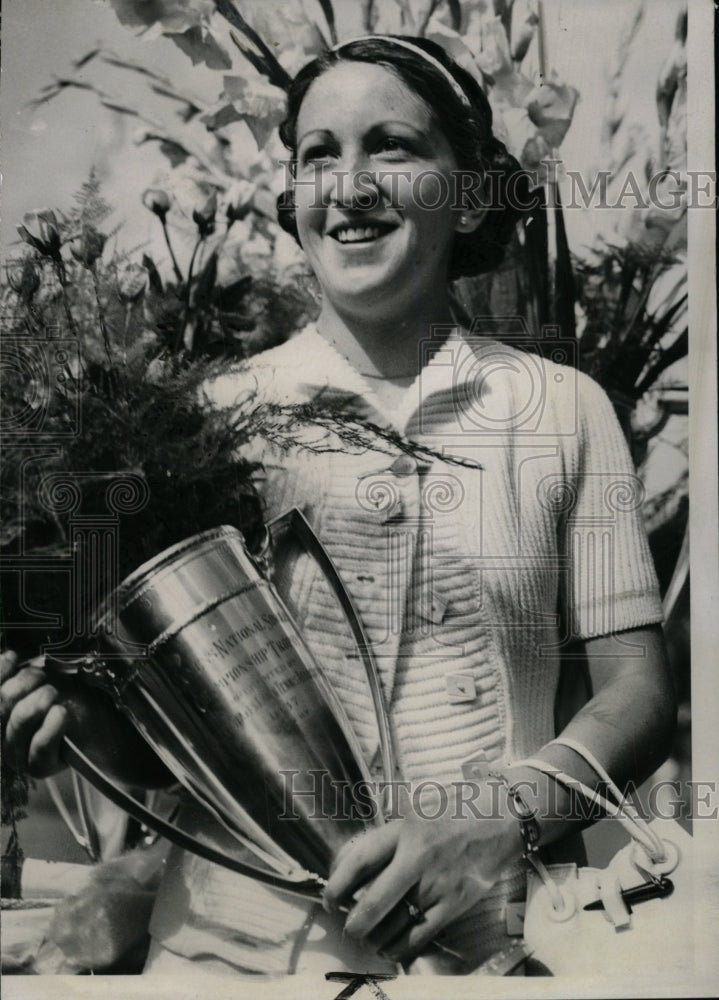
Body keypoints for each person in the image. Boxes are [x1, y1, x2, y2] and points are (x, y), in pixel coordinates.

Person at [1, 36, 675, 976]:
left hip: (476, 953)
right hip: (230, 962)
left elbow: (636, 696)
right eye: (319, 153)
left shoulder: (564, 411)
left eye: (392, 147)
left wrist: (496, 822)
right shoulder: (208, 420)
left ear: (470, 190)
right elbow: (177, 752)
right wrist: (73, 725)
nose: (349, 185)